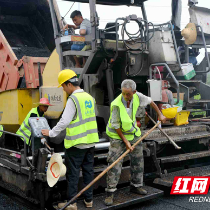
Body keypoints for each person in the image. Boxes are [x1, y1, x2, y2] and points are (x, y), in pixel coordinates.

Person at [41, 69, 99, 210]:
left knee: (72, 174)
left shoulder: (73, 99)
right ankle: (89, 200)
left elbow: (64, 121)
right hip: (90, 142)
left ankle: (72, 203)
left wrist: (51, 133)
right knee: (88, 171)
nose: (63, 90)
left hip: (76, 144)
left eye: (63, 86)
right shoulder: (89, 97)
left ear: (69, 84)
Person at [104, 79, 166, 206]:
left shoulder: (138, 96)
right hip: (117, 135)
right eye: (123, 93)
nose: (126, 96)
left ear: (134, 92)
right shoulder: (116, 104)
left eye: (128, 94)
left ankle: (136, 185)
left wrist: (160, 114)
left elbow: (151, 101)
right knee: (114, 162)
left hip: (132, 133)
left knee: (138, 159)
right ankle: (110, 193)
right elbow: (116, 125)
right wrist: (126, 142)